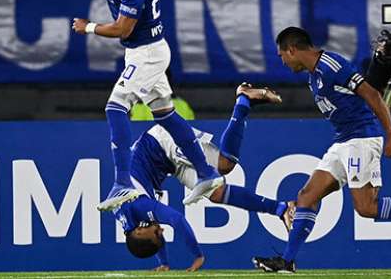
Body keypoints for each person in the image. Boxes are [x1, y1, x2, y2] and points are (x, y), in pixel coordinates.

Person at [72, 0, 223, 211]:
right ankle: (205, 171)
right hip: (148, 50)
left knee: (115, 108)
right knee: (166, 115)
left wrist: (89, 28)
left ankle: (123, 182)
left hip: (146, 53)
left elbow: (123, 29)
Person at [252, 27, 391, 274]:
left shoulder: (331, 65)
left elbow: (373, 94)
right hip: (343, 141)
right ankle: (287, 261)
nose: (283, 61)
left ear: (292, 49)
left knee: (366, 207)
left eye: (282, 55)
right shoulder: (314, 76)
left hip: (362, 139)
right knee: (306, 197)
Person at [115, 84, 294, 271]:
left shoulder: (138, 207)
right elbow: (150, 237)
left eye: (157, 233)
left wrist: (198, 256)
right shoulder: (134, 224)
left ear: (140, 230)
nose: (161, 230)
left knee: (225, 164)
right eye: (161, 235)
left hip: (162, 143)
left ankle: (243, 99)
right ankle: (281, 209)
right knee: (217, 194)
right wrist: (164, 263)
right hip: (167, 164)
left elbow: (177, 220)